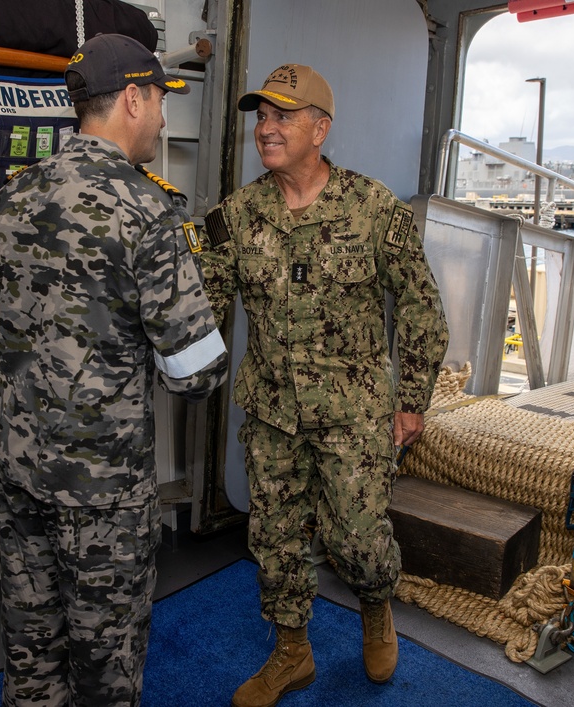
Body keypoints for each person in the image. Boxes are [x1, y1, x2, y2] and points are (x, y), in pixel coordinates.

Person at [0, 34, 228, 707]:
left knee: (30, 647)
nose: (164, 119)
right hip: (103, 495)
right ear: (133, 99)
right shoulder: (147, 213)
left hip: (18, 474)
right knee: (106, 663)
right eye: (161, 101)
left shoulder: (8, 200)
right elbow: (196, 375)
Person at [198, 64, 449, 706]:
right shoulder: (239, 214)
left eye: (284, 115)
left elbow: (421, 306)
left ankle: (374, 605)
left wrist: (413, 399)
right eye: (262, 116)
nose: (267, 128)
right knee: (275, 540)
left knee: (360, 541)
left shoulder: (374, 210)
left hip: (354, 415)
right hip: (272, 412)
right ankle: (292, 654)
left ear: (321, 128)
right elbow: (200, 300)